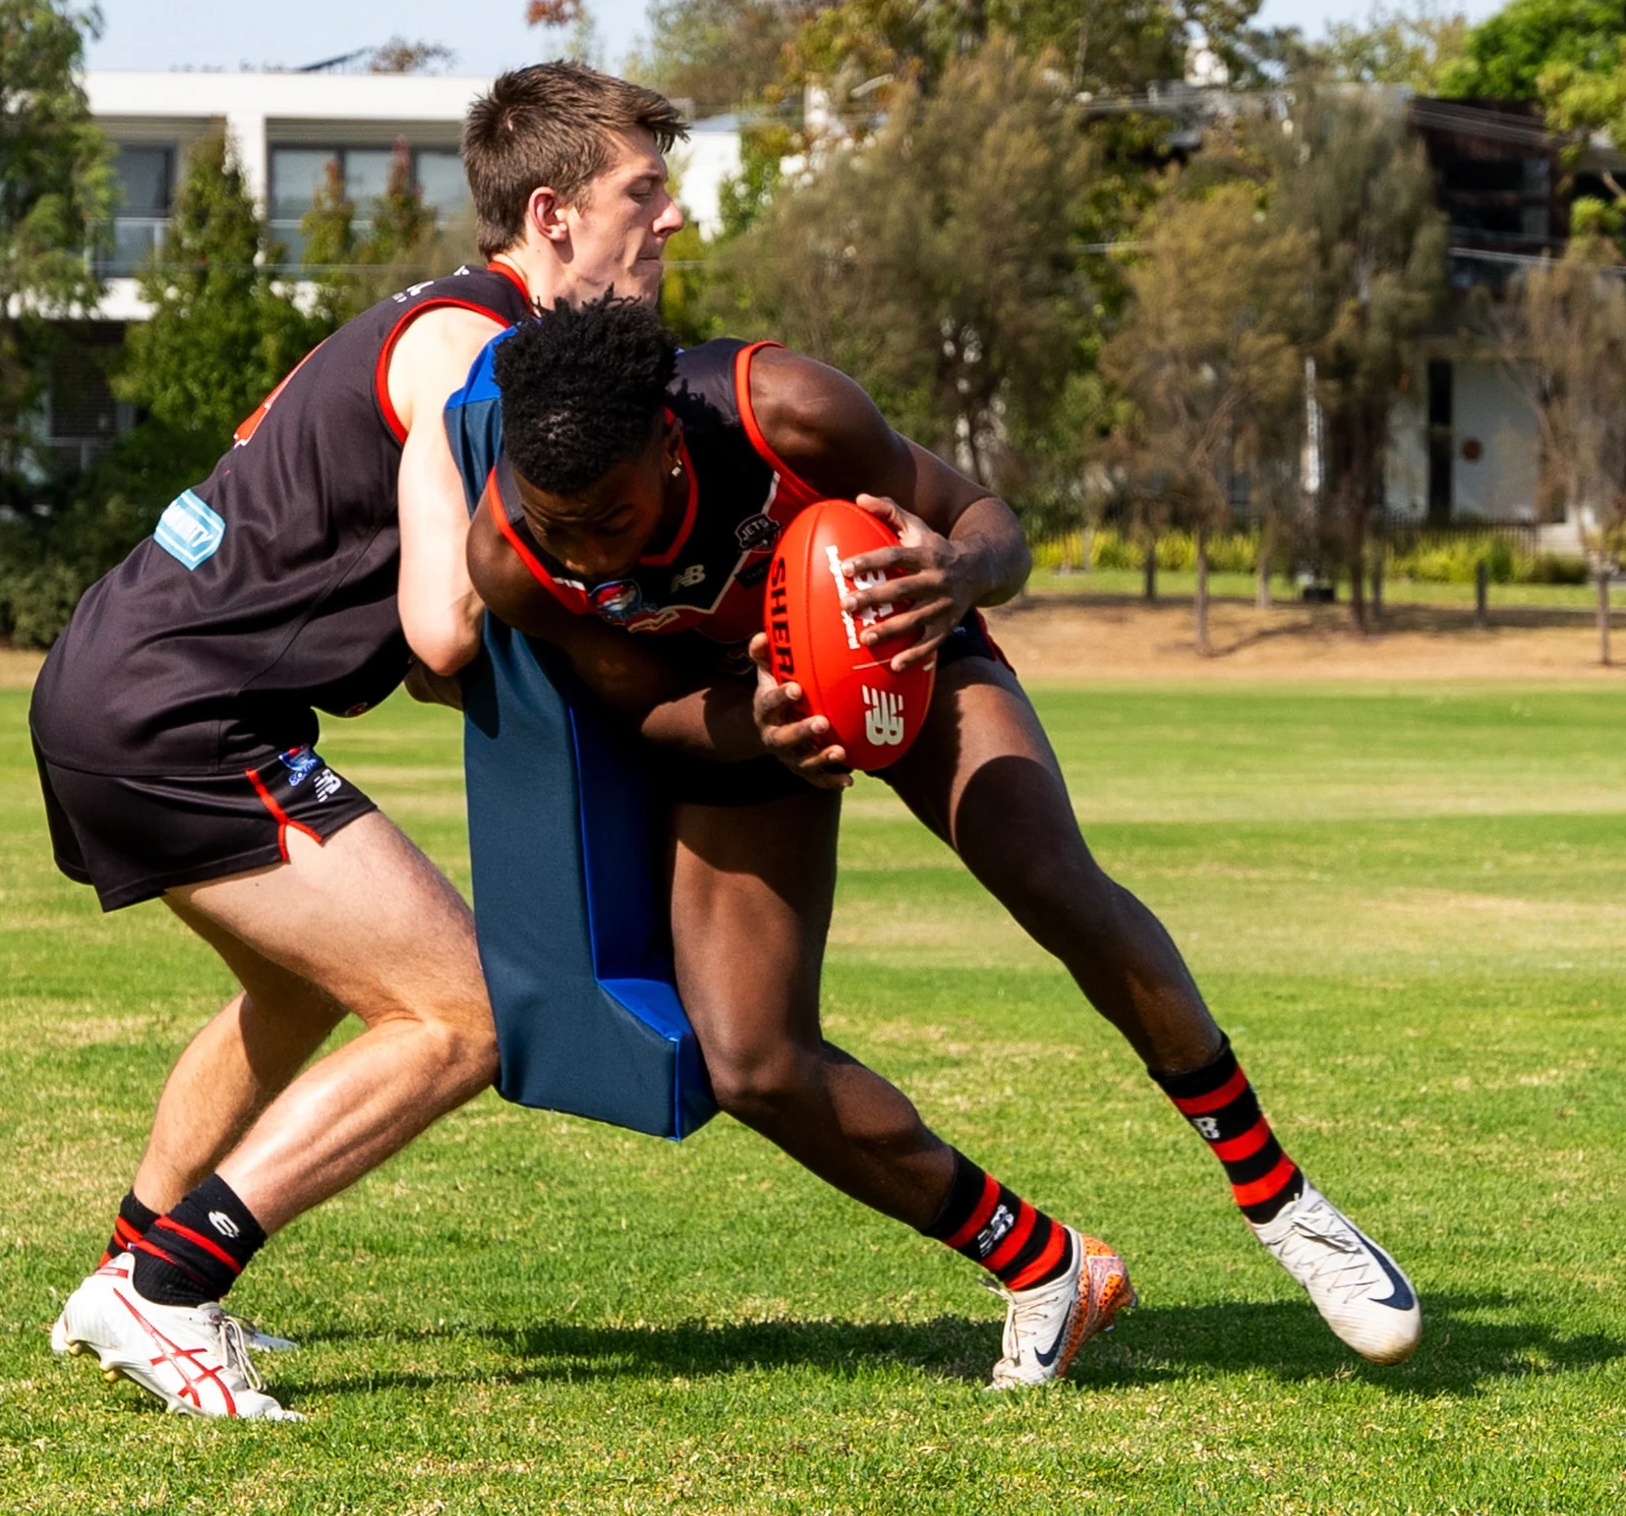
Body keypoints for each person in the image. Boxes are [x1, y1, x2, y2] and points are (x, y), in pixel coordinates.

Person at [465, 294, 1422, 1385]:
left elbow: (987, 521)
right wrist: (757, 726)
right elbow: (633, 706)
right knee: (751, 1062)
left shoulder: (784, 410)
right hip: (741, 719)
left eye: (612, 517)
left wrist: (956, 574)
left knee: (1048, 875)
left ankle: (1281, 1201)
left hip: (898, 633)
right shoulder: (509, 559)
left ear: (667, 443)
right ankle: (1045, 1268)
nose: (587, 545)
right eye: (559, 522)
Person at [36, 63, 687, 1418]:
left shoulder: (463, 331)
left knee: (297, 994)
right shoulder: (472, 354)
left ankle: (124, 1273)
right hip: (177, 710)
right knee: (459, 1016)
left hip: (141, 682)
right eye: (646, 189)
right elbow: (443, 633)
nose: (671, 218)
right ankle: (169, 1294)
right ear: (555, 213)